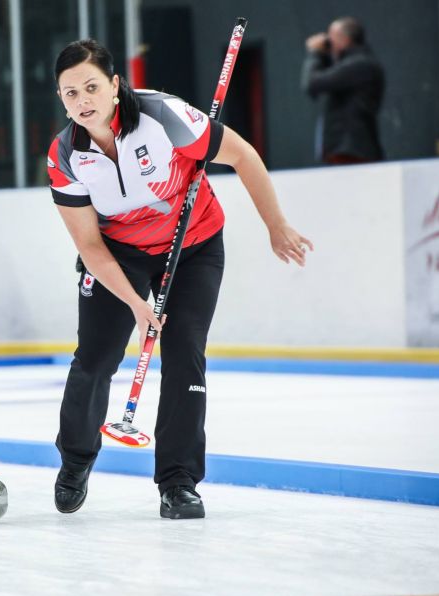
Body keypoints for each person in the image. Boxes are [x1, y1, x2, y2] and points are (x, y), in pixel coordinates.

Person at [47, 39, 312, 519]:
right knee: (97, 357)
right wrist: (135, 303)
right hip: (117, 253)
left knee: (185, 353)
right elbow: (89, 245)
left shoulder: (165, 117)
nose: (82, 101)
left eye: (91, 87)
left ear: (114, 85)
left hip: (193, 245)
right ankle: (76, 459)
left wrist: (276, 225)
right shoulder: (66, 154)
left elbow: (243, 156)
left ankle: (178, 482)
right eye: (70, 94)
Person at [302, 16, 385, 165]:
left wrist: (315, 53)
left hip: (351, 151)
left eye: (331, 38)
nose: (328, 43)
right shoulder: (360, 63)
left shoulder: (359, 64)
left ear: (345, 39)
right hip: (348, 150)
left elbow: (313, 82)